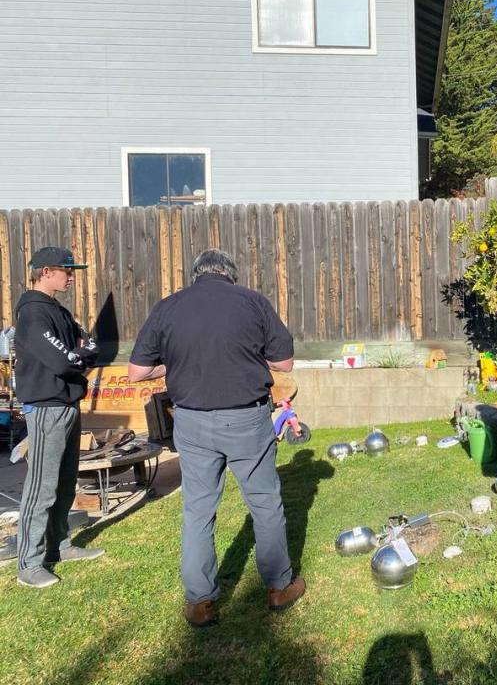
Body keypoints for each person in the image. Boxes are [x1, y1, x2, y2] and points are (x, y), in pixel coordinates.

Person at [127, 249, 305, 627]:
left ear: (196, 275)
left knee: (198, 510)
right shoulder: (253, 302)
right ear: (230, 275)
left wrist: (171, 363)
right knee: (264, 503)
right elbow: (284, 364)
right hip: (246, 418)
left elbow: (137, 371)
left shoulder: (168, 307)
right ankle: (278, 586)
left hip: (191, 423)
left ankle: (200, 602)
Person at [15, 246, 103, 589]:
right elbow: (64, 361)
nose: (71, 276)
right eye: (67, 271)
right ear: (46, 271)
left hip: (68, 403)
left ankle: (58, 546)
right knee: (42, 486)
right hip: (46, 406)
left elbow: (91, 346)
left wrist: (79, 354)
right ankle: (29, 563)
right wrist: (79, 355)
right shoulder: (33, 314)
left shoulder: (59, 311)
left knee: (66, 481)